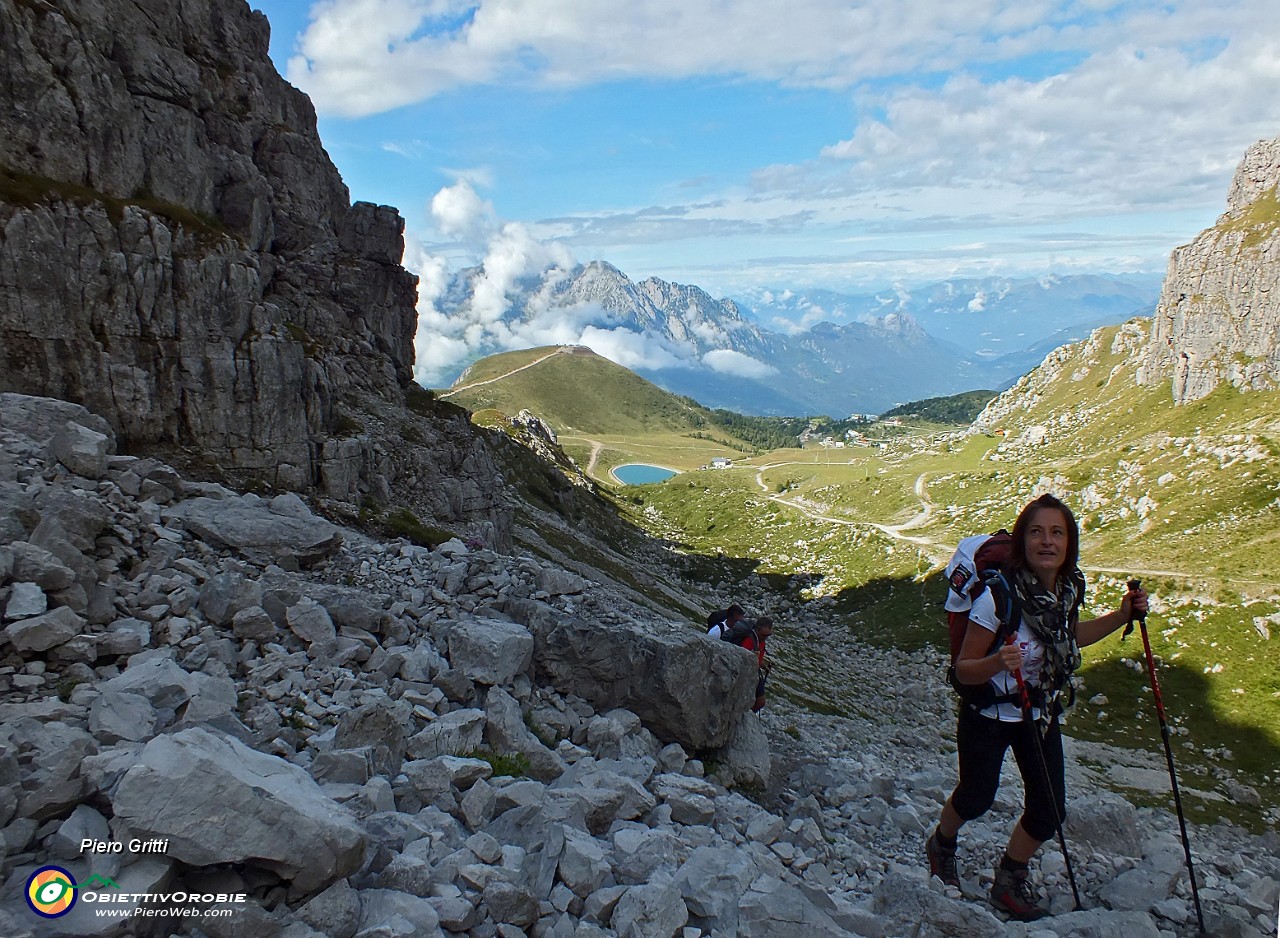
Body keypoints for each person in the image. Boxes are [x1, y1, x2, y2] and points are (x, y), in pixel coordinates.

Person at [925, 493, 1147, 921]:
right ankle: (942, 843)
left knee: (1049, 811)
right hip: (988, 715)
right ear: (1023, 541)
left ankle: (1009, 877)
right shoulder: (998, 599)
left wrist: (1121, 616)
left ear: (1069, 543)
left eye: (1057, 533)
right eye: (1037, 532)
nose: (1048, 542)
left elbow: (1068, 635)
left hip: (1037, 713)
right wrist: (995, 662)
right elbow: (964, 671)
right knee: (975, 798)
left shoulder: (1065, 591)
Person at [735, 616, 774, 711]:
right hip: (747, 674)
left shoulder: (760, 639)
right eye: (764, 635)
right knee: (756, 701)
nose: (766, 638)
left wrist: (762, 664)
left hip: (755, 672)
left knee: (760, 702)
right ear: (757, 630)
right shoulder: (749, 640)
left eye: (768, 635)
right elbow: (741, 657)